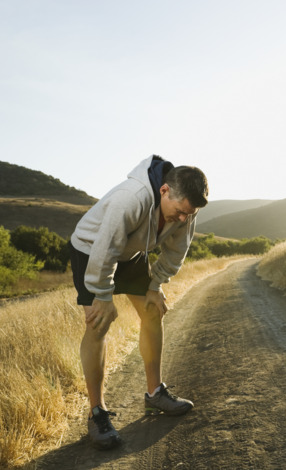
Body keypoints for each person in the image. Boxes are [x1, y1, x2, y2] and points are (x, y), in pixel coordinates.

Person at [68, 154, 208, 449]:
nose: (183, 219)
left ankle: (155, 394)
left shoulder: (186, 209)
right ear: (164, 191)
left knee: (153, 311)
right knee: (99, 324)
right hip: (92, 249)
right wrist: (103, 296)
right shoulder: (130, 199)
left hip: (131, 252)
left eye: (189, 213)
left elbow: (176, 251)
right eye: (180, 211)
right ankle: (97, 413)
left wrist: (156, 285)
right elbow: (105, 247)